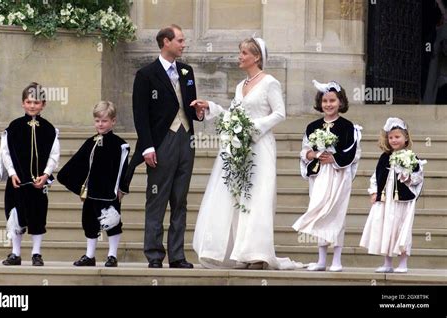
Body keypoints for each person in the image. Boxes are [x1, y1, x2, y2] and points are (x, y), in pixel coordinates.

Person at [190, 38, 302, 270]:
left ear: (257, 57)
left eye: (243, 53)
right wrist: (210, 106)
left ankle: (258, 253)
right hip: (238, 147)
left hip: (260, 146)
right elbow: (233, 114)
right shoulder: (241, 85)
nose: (239, 57)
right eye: (239, 53)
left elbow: (280, 113)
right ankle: (241, 252)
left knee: (258, 197)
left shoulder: (270, 82)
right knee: (238, 198)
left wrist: (254, 128)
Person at [124, 24, 202, 269]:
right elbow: (140, 114)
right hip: (161, 141)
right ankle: (155, 254)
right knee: (157, 199)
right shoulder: (146, 74)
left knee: (180, 200)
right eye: (180, 40)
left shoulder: (187, 71)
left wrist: (199, 112)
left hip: (185, 139)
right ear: (166, 42)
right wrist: (147, 147)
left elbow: (190, 106)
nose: (183, 44)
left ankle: (177, 255)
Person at [292, 80, 362, 272]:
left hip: (338, 174)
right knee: (320, 212)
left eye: (332, 100)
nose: (328, 104)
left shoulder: (348, 127)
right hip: (319, 175)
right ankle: (322, 259)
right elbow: (304, 150)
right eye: (325, 101)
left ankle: (337, 259)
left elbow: (353, 152)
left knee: (336, 213)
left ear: (341, 102)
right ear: (320, 103)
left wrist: (334, 158)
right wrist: (313, 155)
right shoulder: (312, 126)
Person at [57, 101, 129, 267]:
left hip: (109, 191)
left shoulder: (120, 144)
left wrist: (122, 188)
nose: (100, 124)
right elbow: (76, 164)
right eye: (97, 121)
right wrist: (80, 188)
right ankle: (90, 255)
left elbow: (124, 168)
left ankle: (112, 255)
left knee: (113, 222)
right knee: (89, 223)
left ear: (113, 121)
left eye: (104, 121)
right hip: (91, 192)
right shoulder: (90, 142)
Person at [0, 82, 60, 266]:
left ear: (43, 104)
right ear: (23, 103)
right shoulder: (14, 127)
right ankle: (15, 253)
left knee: (38, 215)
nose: (32, 105)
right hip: (17, 180)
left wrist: (46, 174)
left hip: (39, 183)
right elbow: (5, 151)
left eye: (37, 102)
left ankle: (36, 253)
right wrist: (11, 173)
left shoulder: (49, 130)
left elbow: (54, 155)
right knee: (15, 214)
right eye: (29, 101)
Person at [360, 118, 425, 273]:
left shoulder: (411, 157)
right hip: (385, 199)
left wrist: (406, 176)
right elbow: (376, 176)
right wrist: (374, 191)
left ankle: (403, 262)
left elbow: (418, 177)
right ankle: (387, 262)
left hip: (402, 200)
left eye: (397, 137)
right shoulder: (384, 157)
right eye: (391, 137)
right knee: (386, 228)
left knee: (401, 229)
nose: (394, 140)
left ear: (406, 138)